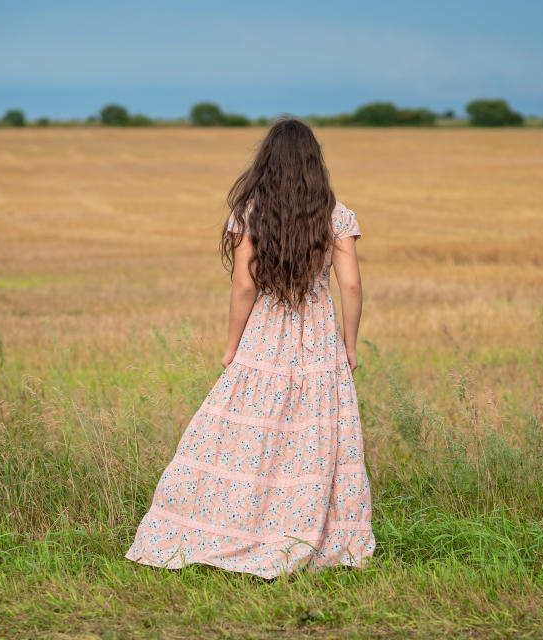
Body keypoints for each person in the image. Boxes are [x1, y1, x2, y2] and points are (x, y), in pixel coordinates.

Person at [124, 117, 375, 579]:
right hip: (319, 341)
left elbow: (244, 286)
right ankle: (306, 532)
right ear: (314, 164)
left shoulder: (250, 213)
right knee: (312, 437)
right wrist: (349, 345)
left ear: (268, 163)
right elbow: (352, 285)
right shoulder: (337, 214)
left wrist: (232, 346)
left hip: (264, 337)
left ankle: (227, 526)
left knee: (245, 434)